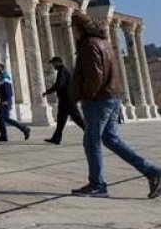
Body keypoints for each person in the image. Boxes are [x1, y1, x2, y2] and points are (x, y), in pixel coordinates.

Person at [69, 12, 161, 198]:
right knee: (111, 139)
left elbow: (95, 76)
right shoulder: (103, 42)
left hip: (98, 100)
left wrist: (86, 94)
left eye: (73, 29)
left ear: (78, 29)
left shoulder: (89, 45)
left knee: (91, 141)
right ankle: (153, 172)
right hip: (111, 97)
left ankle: (97, 185)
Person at [43, 56, 85, 145]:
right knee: (61, 120)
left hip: (68, 100)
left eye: (53, 64)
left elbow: (59, 85)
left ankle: (92, 135)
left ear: (58, 62)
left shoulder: (62, 71)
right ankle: (56, 138)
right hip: (65, 100)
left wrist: (50, 91)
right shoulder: (62, 71)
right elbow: (58, 85)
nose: (53, 66)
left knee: (77, 119)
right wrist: (48, 91)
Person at [0, 63, 30, 142]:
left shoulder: (4, 76)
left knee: (4, 118)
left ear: (2, 68)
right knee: (2, 117)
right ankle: (4, 135)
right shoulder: (1, 76)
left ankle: (24, 129)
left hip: (5, 100)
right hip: (3, 99)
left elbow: (7, 89)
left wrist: (6, 100)